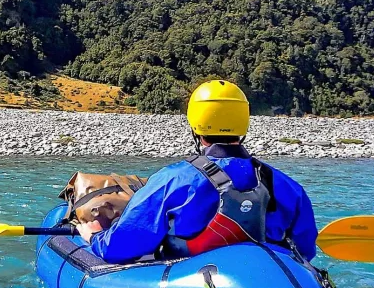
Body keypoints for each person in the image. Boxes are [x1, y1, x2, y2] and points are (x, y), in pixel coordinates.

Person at [76, 80, 319, 264]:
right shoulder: (288, 187)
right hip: (267, 282)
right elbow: (305, 251)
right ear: (243, 122)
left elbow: (124, 245)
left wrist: (95, 237)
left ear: (196, 125)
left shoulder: (173, 179)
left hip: (192, 285)